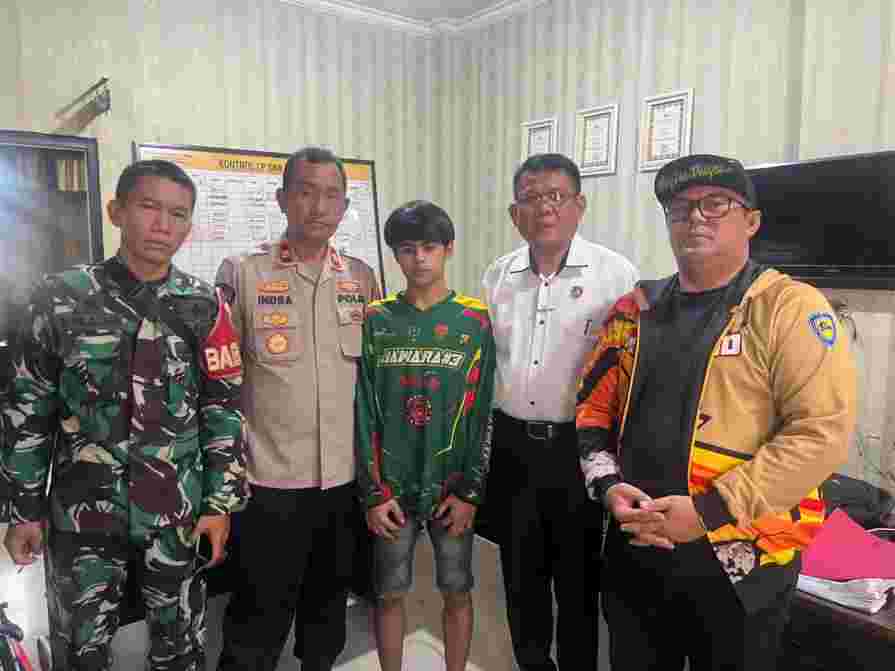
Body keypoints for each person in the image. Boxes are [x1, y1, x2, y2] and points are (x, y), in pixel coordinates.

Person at [576, 153, 857, 670]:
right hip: (637, 548)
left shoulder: (789, 308)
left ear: (751, 220)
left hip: (742, 562)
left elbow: (820, 436)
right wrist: (608, 486)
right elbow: (592, 412)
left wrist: (708, 511)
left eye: (716, 204)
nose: (695, 217)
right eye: (679, 207)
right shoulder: (633, 310)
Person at [1, 159, 247, 671]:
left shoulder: (203, 305)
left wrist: (219, 504)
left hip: (177, 512)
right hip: (84, 512)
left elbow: (223, 408)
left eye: (178, 214)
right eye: (149, 207)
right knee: (81, 649)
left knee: (180, 647)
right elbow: (28, 410)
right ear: (117, 212)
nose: (163, 225)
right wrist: (23, 510)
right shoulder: (60, 297)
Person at [215, 146, 380, 671]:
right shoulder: (242, 273)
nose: (318, 206)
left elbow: (373, 382)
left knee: (326, 616)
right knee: (256, 620)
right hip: (270, 482)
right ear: (282, 198)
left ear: (344, 205)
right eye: (306, 192)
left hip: (341, 483)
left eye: (331, 195)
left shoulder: (361, 278)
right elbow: (218, 384)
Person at [481, 153, 638, 671]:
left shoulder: (615, 275)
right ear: (515, 214)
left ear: (579, 206)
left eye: (556, 196)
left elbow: (627, 367)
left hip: (579, 449)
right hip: (512, 447)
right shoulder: (498, 276)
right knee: (520, 573)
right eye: (530, 198)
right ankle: (531, 662)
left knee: (579, 579)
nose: (544, 208)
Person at [356, 200, 496, 671]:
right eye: (407, 249)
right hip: (391, 489)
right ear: (395, 254)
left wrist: (470, 492)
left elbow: (482, 410)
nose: (419, 259)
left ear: (448, 249)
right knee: (388, 593)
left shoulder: (475, 320)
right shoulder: (376, 318)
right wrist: (374, 493)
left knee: (457, 590)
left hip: (452, 487)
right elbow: (364, 408)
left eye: (430, 247)